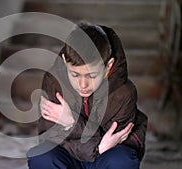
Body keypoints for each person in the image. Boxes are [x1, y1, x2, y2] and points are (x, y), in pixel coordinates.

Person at [26, 21, 148, 169]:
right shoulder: (53, 82)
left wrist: (71, 122)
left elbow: (118, 142)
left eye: (92, 75)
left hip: (105, 158)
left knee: (121, 160)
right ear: (65, 62)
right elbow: (49, 135)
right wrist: (98, 147)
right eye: (75, 74)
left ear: (108, 66)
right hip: (71, 154)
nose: (83, 85)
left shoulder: (124, 93)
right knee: (41, 156)